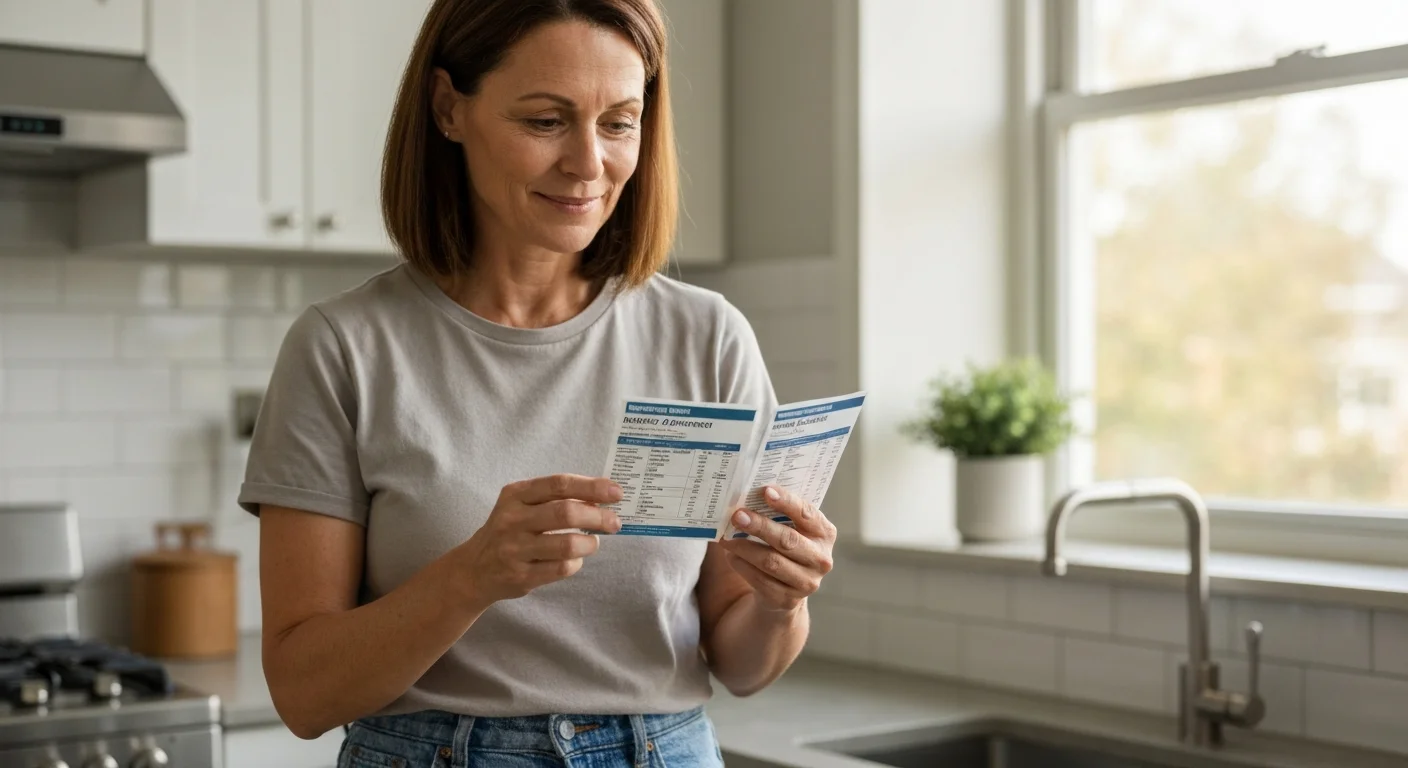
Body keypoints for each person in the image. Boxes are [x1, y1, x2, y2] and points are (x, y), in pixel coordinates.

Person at [237, 0, 838, 765]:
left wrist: (782, 603)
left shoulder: (708, 339)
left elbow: (743, 663)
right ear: (449, 108)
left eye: (619, 122)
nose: (589, 163)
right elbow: (301, 693)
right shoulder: (344, 349)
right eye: (546, 121)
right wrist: (470, 577)